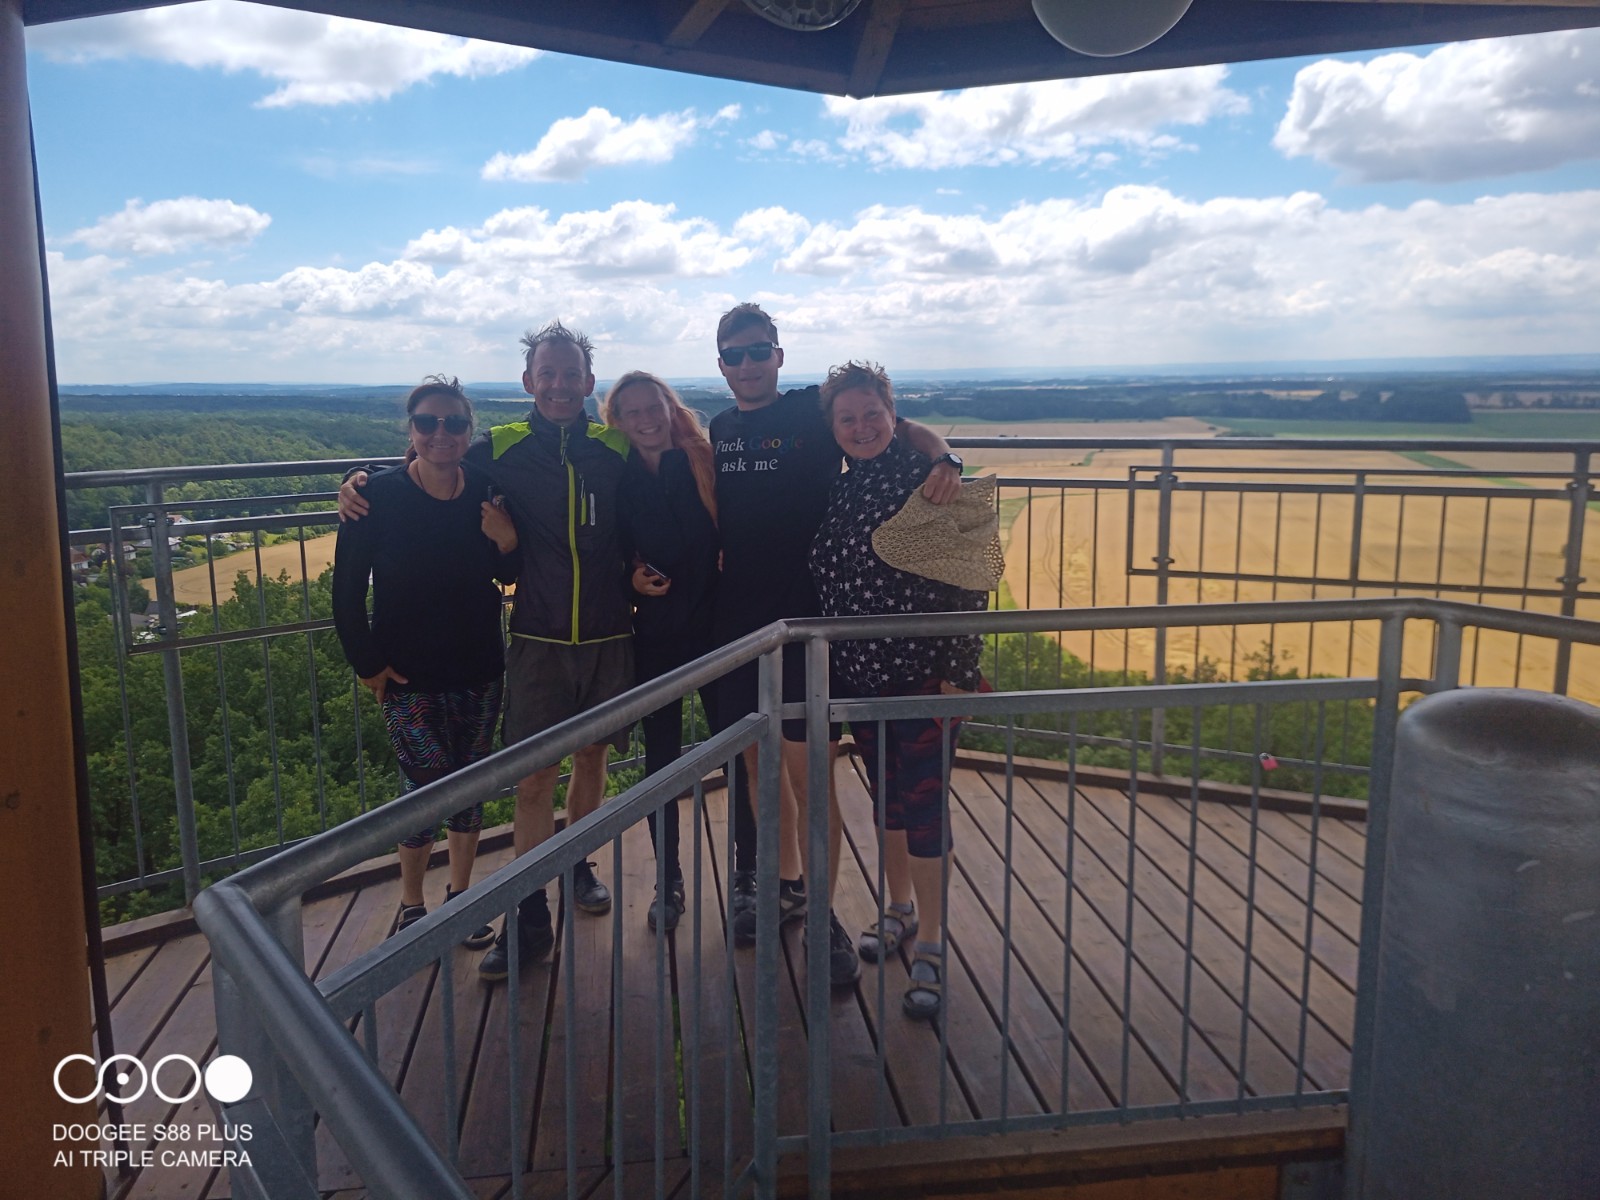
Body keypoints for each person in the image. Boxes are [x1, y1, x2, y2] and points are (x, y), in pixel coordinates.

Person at [340, 323, 633, 982]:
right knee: (533, 778)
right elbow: (430, 463)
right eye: (547, 374)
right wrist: (359, 482)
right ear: (529, 382)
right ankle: (529, 916)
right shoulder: (498, 447)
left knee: (592, 757)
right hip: (536, 637)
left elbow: (668, 482)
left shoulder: (615, 447)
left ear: (589, 382)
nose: (559, 386)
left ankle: (577, 861)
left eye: (571, 374)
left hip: (610, 632)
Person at [708, 303, 963, 985]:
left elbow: (895, 425)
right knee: (767, 774)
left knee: (815, 779)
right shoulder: (720, 428)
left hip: (816, 635)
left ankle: (827, 919)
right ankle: (790, 886)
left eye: (758, 350)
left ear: (778, 355)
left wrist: (945, 455)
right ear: (721, 364)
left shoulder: (810, 414)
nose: (747, 364)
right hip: (749, 631)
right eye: (734, 354)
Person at [810, 361, 989, 1019]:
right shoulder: (841, 487)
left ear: (894, 416)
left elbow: (969, 581)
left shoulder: (929, 481)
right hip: (861, 676)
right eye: (847, 418)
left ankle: (933, 942)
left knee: (924, 805)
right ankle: (898, 908)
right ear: (833, 427)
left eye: (872, 414)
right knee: (887, 798)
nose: (861, 427)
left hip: (923, 676)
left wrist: (958, 675)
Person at [331, 376, 520, 950]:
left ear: (469, 430)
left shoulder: (485, 489)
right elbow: (346, 593)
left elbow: (509, 575)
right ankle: (412, 905)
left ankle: (460, 898)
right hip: (406, 673)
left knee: (470, 784)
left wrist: (506, 540)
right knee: (427, 784)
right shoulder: (377, 497)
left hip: (479, 664)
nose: (442, 433)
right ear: (410, 430)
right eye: (428, 422)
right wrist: (368, 665)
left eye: (454, 423)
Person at [604, 371, 721, 932]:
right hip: (656, 632)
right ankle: (668, 881)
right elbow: (608, 551)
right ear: (618, 422)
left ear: (670, 407)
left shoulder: (706, 461)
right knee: (661, 763)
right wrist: (629, 578)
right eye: (633, 412)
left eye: (653, 407)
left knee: (741, 751)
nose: (646, 419)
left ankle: (747, 875)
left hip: (720, 628)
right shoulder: (617, 477)